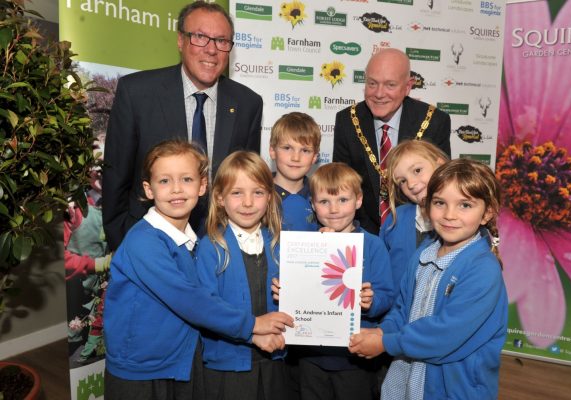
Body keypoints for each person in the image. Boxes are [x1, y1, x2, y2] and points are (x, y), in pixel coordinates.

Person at [103, 141, 292, 400]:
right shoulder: (143, 242)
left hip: (181, 362)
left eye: (187, 179)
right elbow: (190, 300)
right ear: (149, 189)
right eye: (165, 181)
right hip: (141, 372)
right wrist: (253, 326)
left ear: (202, 186)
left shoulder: (192, 242)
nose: (177, 189)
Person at [103, 1, 263, 251]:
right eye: (200, 37)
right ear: (180, 40)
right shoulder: (136, 93)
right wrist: (124, 247)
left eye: (222, 41)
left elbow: (247, 180)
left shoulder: (248, 103)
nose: (211, 50)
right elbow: (115, 179)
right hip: (150, 246)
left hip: (222, 248)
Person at [349, 158, 508, 400]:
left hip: (453, 387)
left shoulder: (483, 270)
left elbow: (445, 335)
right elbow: (403, 308)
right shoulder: (423, 253)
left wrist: (386, 343)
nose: (449, 215)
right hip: (408, 375)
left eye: (465, 205)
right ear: (426, 206)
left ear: (487, 213)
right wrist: (381, 332)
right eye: (439, 203)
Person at [273, 162, 394, 400]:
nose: (334, 209)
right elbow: (297, 291)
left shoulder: (373, 245)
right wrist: (284, 292)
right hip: (310, 355)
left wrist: (372, 301)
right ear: (313, 205)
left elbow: (387, 296)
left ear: (358, 201)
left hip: (355, 355)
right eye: (324, 201)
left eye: (342, 200)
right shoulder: (303, 245)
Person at [195, 151, 296, 399]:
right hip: (227, 369)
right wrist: (253, 334)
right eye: (237, 193)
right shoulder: (210, 248)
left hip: (275, 362)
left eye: (258, 192)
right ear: (220, 198)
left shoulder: (283, 246)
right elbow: (206, 309)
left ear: (269, 197)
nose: (248, 202)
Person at [333, 48, 451, 235]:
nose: (379, 94)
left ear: (408, 87)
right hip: (363, 233)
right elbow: (340, 184)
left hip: (418, 233)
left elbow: (443, 186)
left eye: (390, 85)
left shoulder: (434, 121)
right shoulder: (347, 120)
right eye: (372, 83)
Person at [379, 140, 449, 291]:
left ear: (439, 165)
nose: (410, 184)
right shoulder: (394, 221)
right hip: (396, 312)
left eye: (417, 170)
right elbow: (379, 273)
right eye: (402, 181)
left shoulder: (457, 221)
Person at [269, 112, 321, 231]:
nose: (296, 158)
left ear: (314, 157)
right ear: (272, 151)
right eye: (287, 148)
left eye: (305, 150)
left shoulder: (321, 195)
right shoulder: (258, 194)